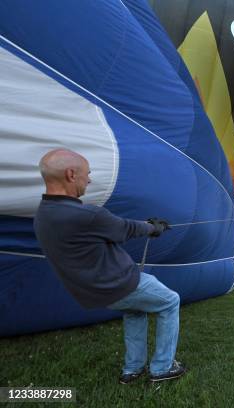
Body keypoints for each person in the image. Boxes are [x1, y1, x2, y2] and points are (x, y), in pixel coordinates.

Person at [33, 149, 185, 384]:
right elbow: (125, 228)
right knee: (170, 301)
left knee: (136, 311)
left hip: (97, 293)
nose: (89, 179)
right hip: (122, 283)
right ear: (71, 174)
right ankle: (162, 368)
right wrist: (154, 227)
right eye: (87, 174)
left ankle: (132, 369)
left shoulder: (43, 215)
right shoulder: (85, 215)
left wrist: (147, 226)